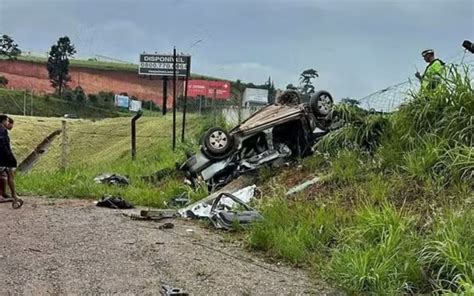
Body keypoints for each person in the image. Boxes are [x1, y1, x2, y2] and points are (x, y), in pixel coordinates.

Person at [0, 115, 18, 200]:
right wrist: (9, 156)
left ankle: (13, 195)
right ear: (3, 122)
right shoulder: (1, 132)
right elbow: (3, 146)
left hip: (5, 158)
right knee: (8, 175)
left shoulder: (4, 131)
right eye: (7, 121)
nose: (8, 122)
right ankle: (12, 195)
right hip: (3, 158)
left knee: (9, 175)